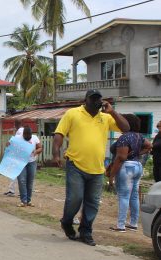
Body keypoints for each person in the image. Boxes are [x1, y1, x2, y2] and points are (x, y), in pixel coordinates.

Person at [53, 89, 130, 246]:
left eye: (98, 99)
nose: (96, 101)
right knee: (75, 198)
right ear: (86, 100)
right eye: (93, 98)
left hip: (97, 169)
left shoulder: (106, 118)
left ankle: (85, 232)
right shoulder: (73, 113)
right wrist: (56, 154)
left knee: (93, 203)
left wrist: (112, 111)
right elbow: (59, 134)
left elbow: (126, 128)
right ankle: (67, 222)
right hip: (76, 164)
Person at [108, 114, 152, 232]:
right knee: (134, 196)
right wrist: (137, 154)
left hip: (126, 167)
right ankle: (133, 223)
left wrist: (111, 175)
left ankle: (120, 225)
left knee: (123, 196)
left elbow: (120, 158)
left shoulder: (124, 137)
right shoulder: (139, 136)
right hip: (137, 165)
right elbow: (149, 146)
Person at [16, 126, 43, 207]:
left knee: (30, 182)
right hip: (20, 162)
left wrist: (36, 151)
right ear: (23, 134)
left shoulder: (34, 138)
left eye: (29, 136)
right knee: (21, 180)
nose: (28, 138)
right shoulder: (18, 138)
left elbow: (40, 147)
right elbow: (10, 145)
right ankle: (23, 201)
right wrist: (8, 144)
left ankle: (28, 200)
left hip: (31, 162)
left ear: (31, 134)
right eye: (26, 136)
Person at [4, 119, 23, 197]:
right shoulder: (22, 130)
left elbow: (13, 141)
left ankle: (13, 191)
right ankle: (18, 191)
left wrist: (9, 142)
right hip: (21, 155)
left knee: (15, 173)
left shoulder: (20, 131)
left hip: (18, 156)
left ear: (15, 125)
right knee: (18, 174)